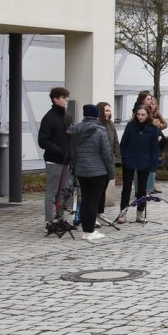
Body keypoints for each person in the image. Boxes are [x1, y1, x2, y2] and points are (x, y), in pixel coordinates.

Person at [69, 104, 114, 242]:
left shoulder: (75, 130)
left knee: (86, 200)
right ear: (96, 115)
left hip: (82, 171)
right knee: (93, 201)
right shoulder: (100, 131)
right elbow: (106, 154)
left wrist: (75, 168)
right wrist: (111, 172)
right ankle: (90, 231)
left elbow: (72, 152)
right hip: (98, 171)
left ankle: (85, 231)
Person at [38, 86, 73, 230]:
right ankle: (49, 221)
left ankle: (60, 218)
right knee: (52, 191)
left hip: (66, 161)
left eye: (67, 97)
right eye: (64, 97)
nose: (67, 100)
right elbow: (43, 141)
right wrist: (59, 151)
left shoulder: (67, 117)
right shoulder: (49, 118)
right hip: (54, 160)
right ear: (56, 99)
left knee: (64, 191)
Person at [118, 104, 160, 224]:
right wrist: (125, 158)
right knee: (126, 188)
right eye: (138, 114)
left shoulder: (152, 128)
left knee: (142, 189)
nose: (140, 117)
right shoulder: (131, 126)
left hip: (144, 162)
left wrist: (153, 165)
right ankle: (123, 212)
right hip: (129, 161)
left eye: (143, 115)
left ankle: (140, 213)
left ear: (148, 115)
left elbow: (154, 149)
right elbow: (124, 144)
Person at [96, 100, 120, 221]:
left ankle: (101, 213)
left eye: (109, 110)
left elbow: (115, 142)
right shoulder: (96, 124)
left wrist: (117, 159)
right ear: (100, 111)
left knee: (103, 189)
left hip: (109, 162)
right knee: (97, 190)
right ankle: (94, 214)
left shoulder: (110, 124)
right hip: (98, 162)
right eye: (106, 110)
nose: (108, 113)